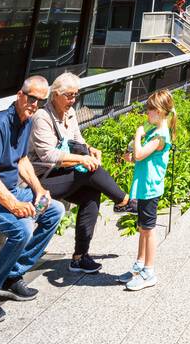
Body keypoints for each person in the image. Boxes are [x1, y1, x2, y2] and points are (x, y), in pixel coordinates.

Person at [0, 76, 65, 324]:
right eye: (32, 99)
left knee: (55, 210)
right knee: (23, 228)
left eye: (40, 101)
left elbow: (22, 161)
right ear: (20, 95)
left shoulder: (26, 120)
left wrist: (39, 189)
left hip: (8, 193)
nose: (35, 105)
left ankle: (12, 275)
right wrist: (15, 206)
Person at [29, 72, 134, 273]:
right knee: (89, 172)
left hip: (62, 175)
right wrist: (82, 159)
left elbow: (77, 141)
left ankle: (79, 257)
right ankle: (123, 201)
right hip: (39, 182)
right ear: (55, 95)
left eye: (75, 95)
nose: (73, 100)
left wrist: (89, 149)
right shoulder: (42, 117)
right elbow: (47, 155)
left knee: (91, 195)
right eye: (69, 95)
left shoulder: (70, 114)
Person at [120, 88, 176, 291]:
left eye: (150, 110)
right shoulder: (154, 130)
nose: (147, 113)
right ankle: (139, 265)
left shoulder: (160, 135)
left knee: (149, 230)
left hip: (150, 187)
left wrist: (137, 135)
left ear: (160, 111)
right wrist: (131, 155)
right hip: (144, 186)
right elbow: (139, 155)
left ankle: (149, 271)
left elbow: (142, 153)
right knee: (142, 228)